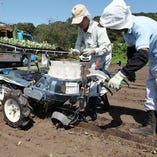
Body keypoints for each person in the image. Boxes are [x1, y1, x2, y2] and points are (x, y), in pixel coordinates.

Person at [99, 0, 157, 136]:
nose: (110, 29)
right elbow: (132, 50)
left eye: (110, 26)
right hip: (155, 59)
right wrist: (131, 71)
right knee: (151, 92)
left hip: (154, 57)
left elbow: (143, 56)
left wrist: (122, 74)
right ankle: (151, 127)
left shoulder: (140, 26)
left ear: (118, 23)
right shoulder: (127, 32)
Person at [71, 4, 112, 120]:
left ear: (87, 18)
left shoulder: (99, 28)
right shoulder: (80, 29)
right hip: (91, 57)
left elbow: (105, 47)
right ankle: (106, 104)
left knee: (95, 80)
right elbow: (78, 43)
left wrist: (93, 50)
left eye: (80, 21)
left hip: (102, 57)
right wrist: (76, 50)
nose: (79, 24)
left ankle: (91, 112)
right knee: (90, 78)